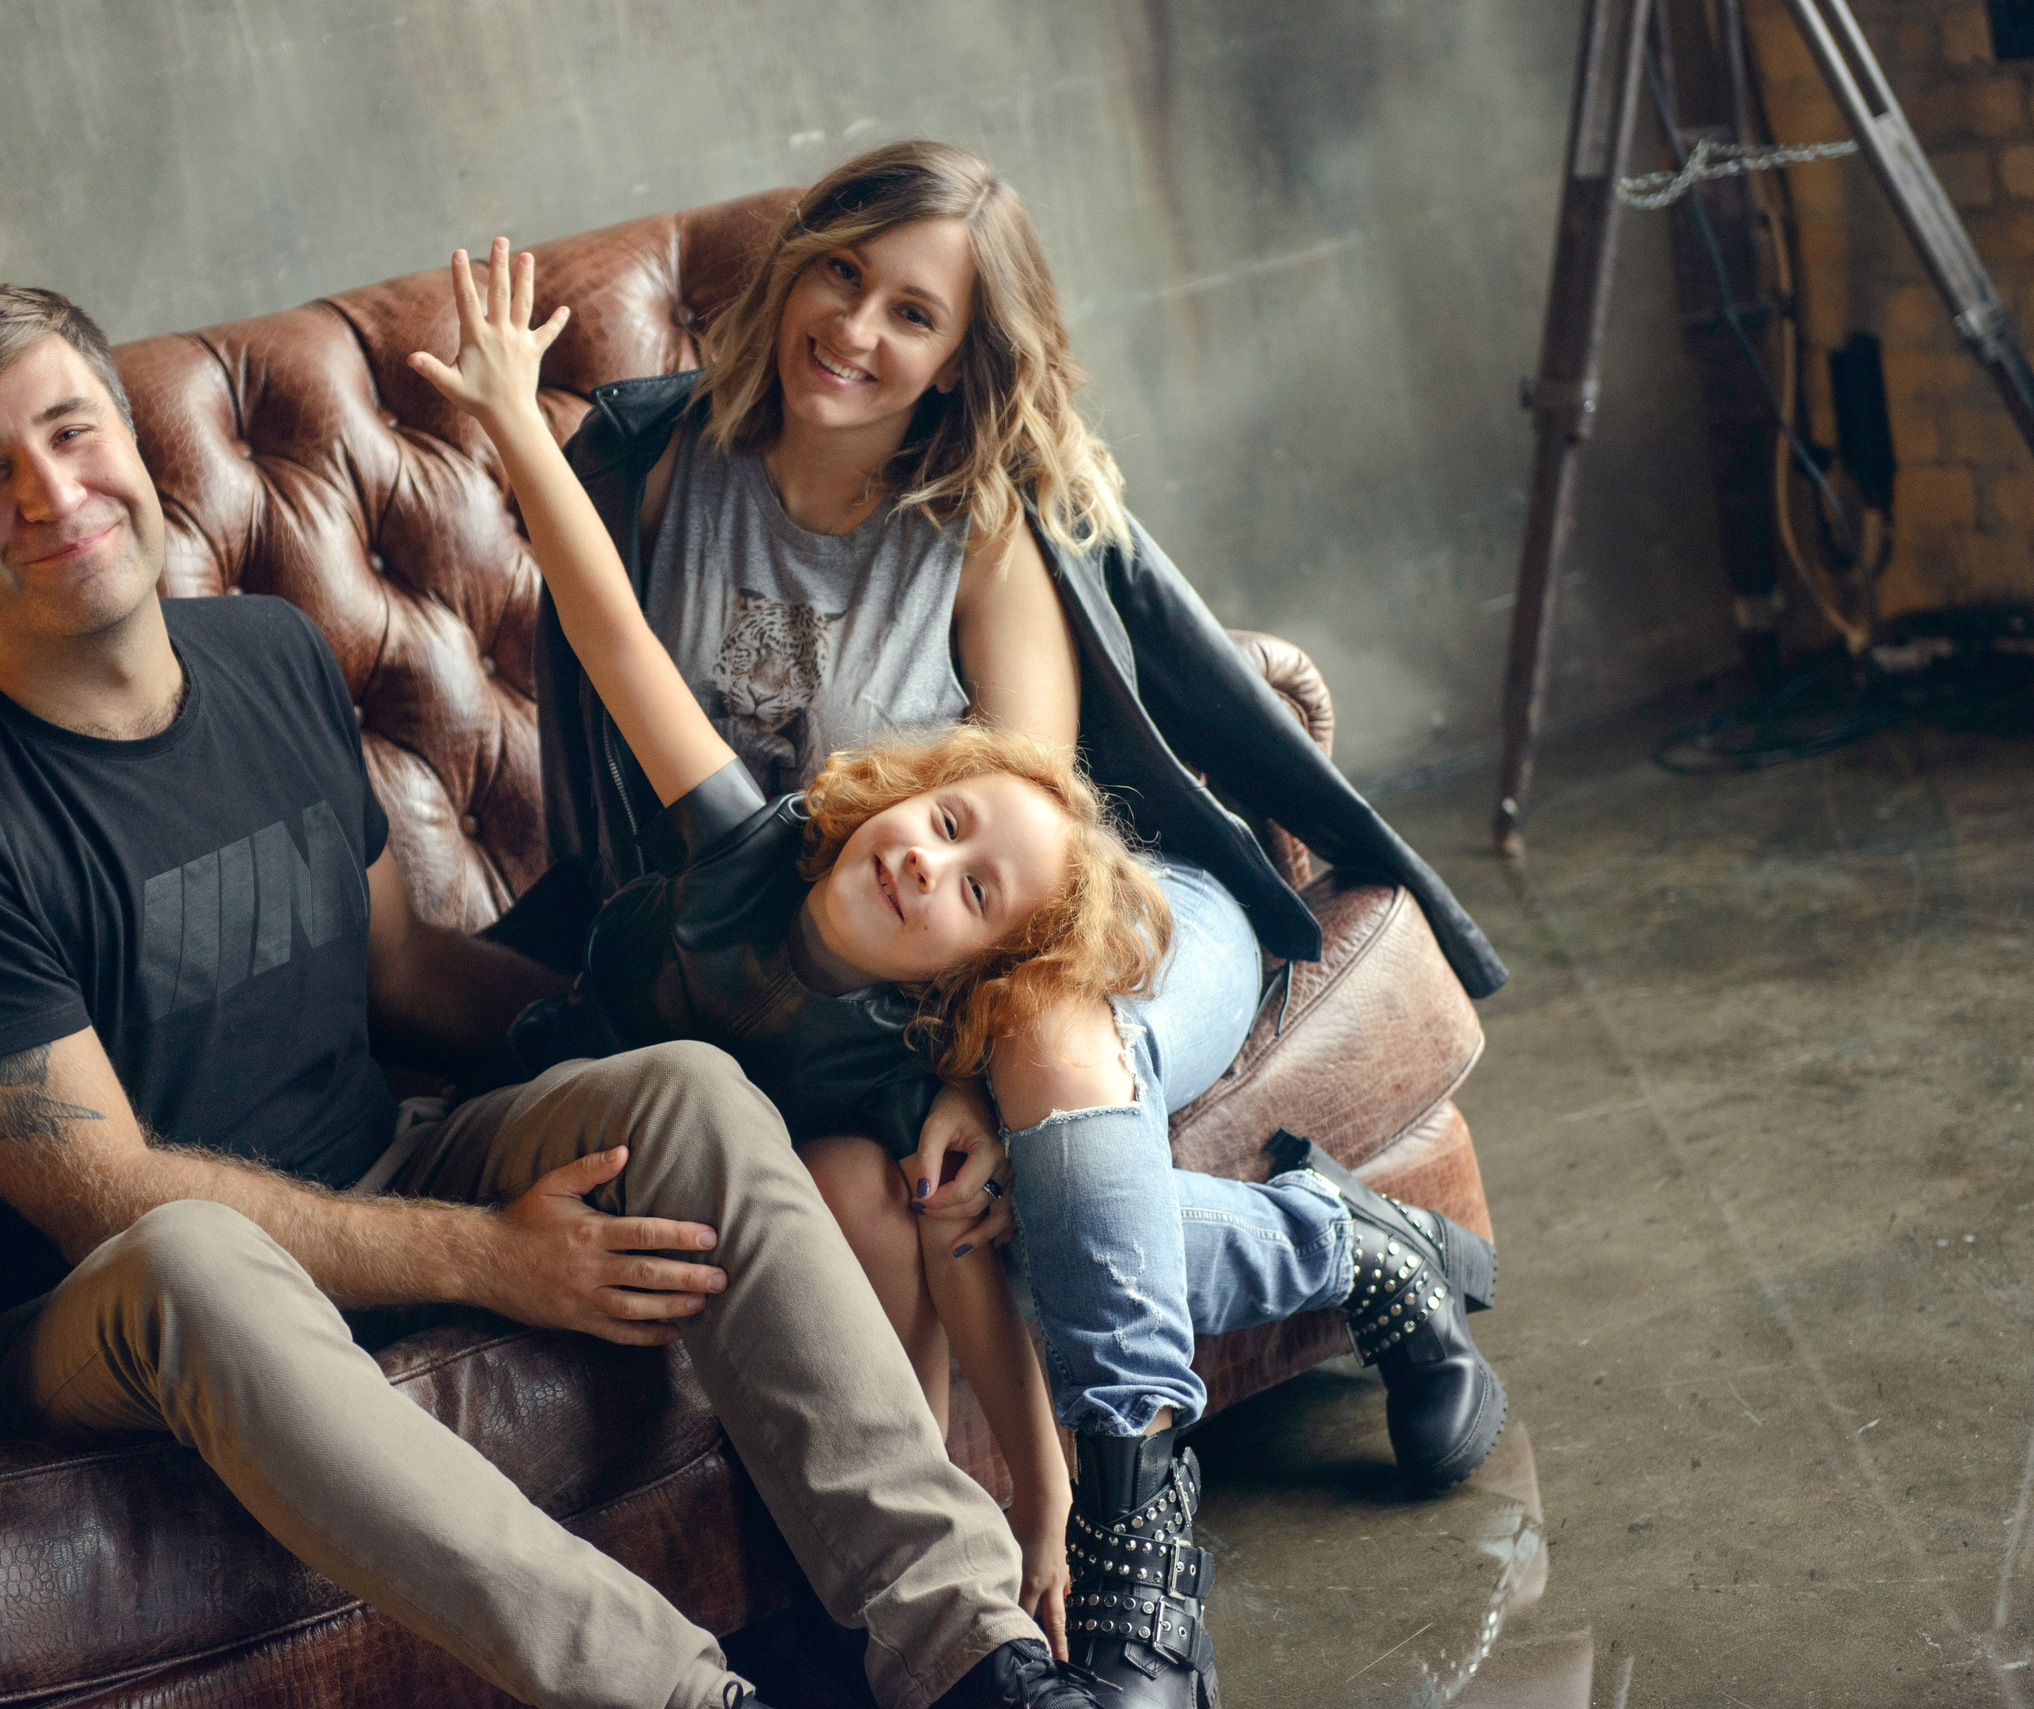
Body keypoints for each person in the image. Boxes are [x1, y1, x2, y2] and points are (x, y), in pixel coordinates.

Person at [0, 283, 1128, 1709]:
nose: (54, 491)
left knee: (686, 1085)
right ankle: (686, 1697)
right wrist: (488, 1255)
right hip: (102, 1309)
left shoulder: (268, 654)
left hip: (377, 1156)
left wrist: (815, 1052)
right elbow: (104, 1195)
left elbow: (409, 973)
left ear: (132, 441)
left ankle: (974, 1657)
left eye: (72, 431)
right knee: (192, 1251)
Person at [517, 142, 1515, 1708]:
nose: (855, 329)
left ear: (959, 358)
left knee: (1040, 1052)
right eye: (841, 271)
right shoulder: (657, 467)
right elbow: (639, 737)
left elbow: (1033, 855)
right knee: (892, 1196)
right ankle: (1345, 1238)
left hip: (1092, 920)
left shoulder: (981, 518)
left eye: (913, 314)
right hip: (864, 979)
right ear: (796, 265)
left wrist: (972, 1082)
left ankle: (1140, 1586)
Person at [411, 241, 1180, 1655]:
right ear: (888, 789)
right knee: (823, 1165)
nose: (923, 860)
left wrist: (1051, 1498)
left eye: (969, 889)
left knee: (892, 1199)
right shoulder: (755, 846)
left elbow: (970, 1263)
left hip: (762, 1150)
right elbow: (622, 640)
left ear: (961, 975)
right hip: (561, 1094)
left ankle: (907, 1574)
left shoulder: (900, 1051)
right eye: (943, 818)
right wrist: (520, 423)